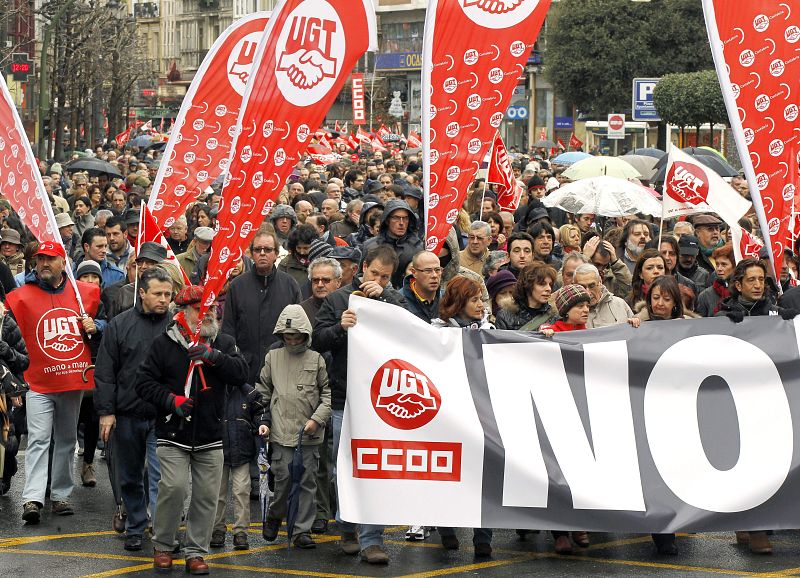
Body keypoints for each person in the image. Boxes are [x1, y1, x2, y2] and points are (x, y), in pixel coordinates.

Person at [135, 285, 249, 574]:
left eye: (212, 309)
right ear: (183, 313)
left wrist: (213, 356)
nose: (208, 314)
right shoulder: (164, 343)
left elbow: (241, 373)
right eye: (200, 309)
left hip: (211, 434)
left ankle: (196, 552)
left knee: (207, 496)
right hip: (173, 433)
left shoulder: (224, 342)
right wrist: (170, 401)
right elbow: (144, 383)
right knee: (173, 488)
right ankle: (164, 545)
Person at [313, 245, 407, 564]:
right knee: (344, 468)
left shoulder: (391, 300)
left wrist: (385, 297)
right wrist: (339, 327)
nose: (378, 280)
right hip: (345, 398)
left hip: (381, 400)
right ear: (363, 267)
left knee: (376, 469)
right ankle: (347, 525)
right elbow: (317, 340)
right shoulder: (339, 299)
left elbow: (411, 328)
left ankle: (372, 540)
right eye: (375, 273)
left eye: (386, 277)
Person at [7, 241, 103, 523]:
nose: (44, 264)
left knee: (67, 439)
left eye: (50, 259)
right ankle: (33, 498)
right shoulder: (21, 296)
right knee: (38, 439)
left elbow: (108, 323)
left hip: (72, 381)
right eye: (40, 259)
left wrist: (97, 325)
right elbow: (10, 335)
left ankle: (60, 494)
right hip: (38, 381)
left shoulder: (83, 293)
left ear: (64, 262)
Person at [94, 267, 174, 552]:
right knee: (129, 475)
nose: (164, 299)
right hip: (127, 413)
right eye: (158, 294)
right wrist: (106, 411)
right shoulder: (119, 324)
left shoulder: (176, 326)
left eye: (168, 294)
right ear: (142, 293)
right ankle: (136, 526)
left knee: (162, 477)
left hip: (164, 415)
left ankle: (162, 531)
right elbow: (105, 371)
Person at [257, 305, 331, 549]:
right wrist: (263, 420)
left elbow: (327, 395)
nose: (292, 340)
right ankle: (275, 514)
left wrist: (317, 419)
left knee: (307, 482)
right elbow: (263, 391)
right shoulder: (273, 357)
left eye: (296, 336)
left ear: (305, 334)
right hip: (280, 432)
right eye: (287, 336)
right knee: (284, 479)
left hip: (308, 434)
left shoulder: (317, 359)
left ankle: (301, 531)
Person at [222, 229, 302, 385]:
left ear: (276, 253)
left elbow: (299, 329)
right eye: (258, 250)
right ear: (251, 254)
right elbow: (228, 329)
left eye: (268, 249)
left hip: (282, 369)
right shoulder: (237, 286)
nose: (262, 253)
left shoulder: (290, 285)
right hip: (245, 371)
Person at [211, 377, 265, 552]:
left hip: (241, 448)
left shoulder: (248, 391)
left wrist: (263, 424)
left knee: (241, 491)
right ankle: (217, 529)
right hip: (218, 448)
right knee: (217, 493)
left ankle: (241, 531)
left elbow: (261, 411)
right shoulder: (213, 388)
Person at [362, 199, 424, 288]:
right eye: (396, 218)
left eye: (405, 218)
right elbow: (360, 275)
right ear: (387, 220)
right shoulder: (370, 246)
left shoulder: (418, 248)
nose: (401, 223)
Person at [106, 242, 167, 319]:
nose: (143, 266)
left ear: (161, 266)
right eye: (140, 262)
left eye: (149, 262)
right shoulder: (125, 292)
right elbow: (113, 323)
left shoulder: (169, 291)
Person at [495, 262, 558, 330]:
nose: (549, 289)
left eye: (550, 284)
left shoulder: (554, 316)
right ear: (528, 285)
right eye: (542, 284)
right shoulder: (505, 316)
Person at [573, 264, 637, 329]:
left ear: (600, 282)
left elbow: (635, 332)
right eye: (582, 287)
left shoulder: (619, 304)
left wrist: (634, 323)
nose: (588, 293)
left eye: (592, 286)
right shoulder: (570, 312)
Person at [402, 251, 443, 323]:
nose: (434, 275)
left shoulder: (448, 298)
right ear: (414, 272)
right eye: (428, 271)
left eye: (437, 270)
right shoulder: (400, 300)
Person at [696, 243, 735, 317]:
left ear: (735, 266)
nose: (719, 269)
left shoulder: (744, 294)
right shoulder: (705, 296)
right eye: (717, 264)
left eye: (724, 264)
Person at [278, 223, 318, 289]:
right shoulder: (285, 264)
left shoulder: (322, 261)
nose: (302, 252)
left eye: (306, 248)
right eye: (299, 248)